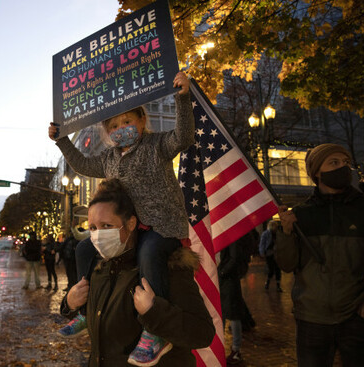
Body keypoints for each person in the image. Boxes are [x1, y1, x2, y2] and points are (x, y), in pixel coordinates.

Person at [50, 72, 195, 364]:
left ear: (142, 121)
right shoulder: (109, 158)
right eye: (114, 125)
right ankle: (84, 310)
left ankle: (155, 330)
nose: (121, 129)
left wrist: (182, 98)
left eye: (127, 122)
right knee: (83, 248)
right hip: (128, 228)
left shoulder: (157, 145)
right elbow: (81, 163)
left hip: (161, 226)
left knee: (149, 252)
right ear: (107, 131)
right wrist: (62, 141)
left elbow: (184, 137)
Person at [60, 179, 214, 366]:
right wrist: (70, 303)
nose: (98, 235)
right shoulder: (98, 270)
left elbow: (202, 334)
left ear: (131, 223)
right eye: (92, 228)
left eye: (107, 226)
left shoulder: (166, 268)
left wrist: (154, 312)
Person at [276, 143, 364, 366]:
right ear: (316, 173)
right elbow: (286, 264)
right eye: (334, 162)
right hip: (311, 320)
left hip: (358, 318)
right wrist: (286, 233)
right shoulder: (301, 214)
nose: (344, 168)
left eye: (346, 163)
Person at [218, 232, 255, 365]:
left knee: (233, 315)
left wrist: (221, 273)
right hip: (222, 279)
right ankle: (221, 347)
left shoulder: (230, 236)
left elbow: (234, 258)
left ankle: (236, 350)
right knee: (221, 313)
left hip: (228, 280)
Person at [258, 221, 282, 292]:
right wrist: (262, 252)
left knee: (277, 269)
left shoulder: (277, 233)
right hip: (269, 253)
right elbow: (262, 243)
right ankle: (267, 283)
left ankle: (277, 285)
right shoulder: (266, 234)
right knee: (271, 269)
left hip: (276, 253)